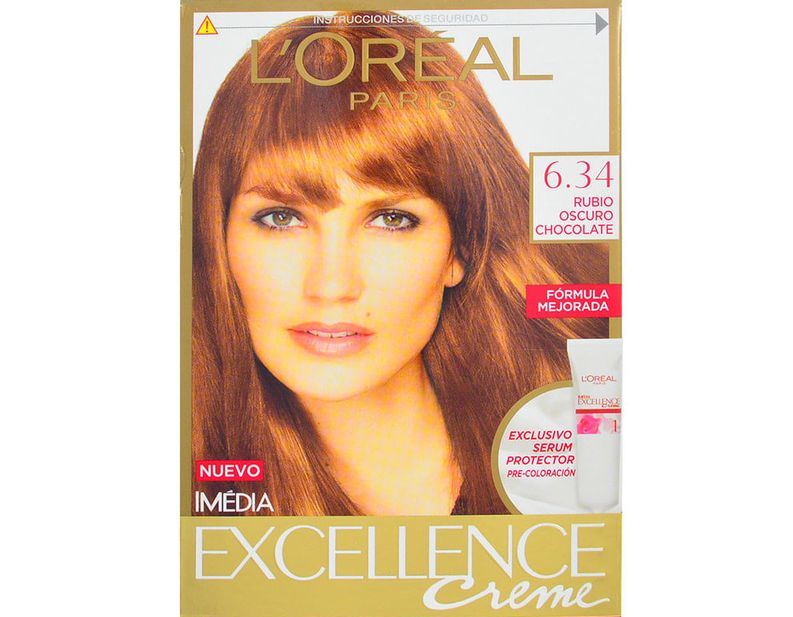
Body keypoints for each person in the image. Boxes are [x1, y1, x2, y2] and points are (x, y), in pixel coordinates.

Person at [192, 13, 607, 515]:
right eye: (281, 218)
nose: (332, 285)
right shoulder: (191, 496)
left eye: (391, 219)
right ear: (217, 236)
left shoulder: (585, 445)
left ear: (459, 249)